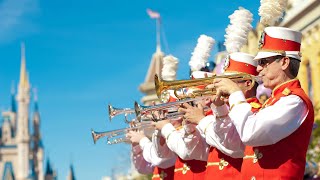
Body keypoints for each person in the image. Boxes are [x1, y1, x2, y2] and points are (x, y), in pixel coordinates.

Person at [210, 26, 314, 179]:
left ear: (284, 62)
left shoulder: (294, 101)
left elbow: (250, 133)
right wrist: (219, 109)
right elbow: (235, 146)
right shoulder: (273, 102)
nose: (258, 68)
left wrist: (235, 93)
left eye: (264, 62)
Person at [180, 52, 261, 180]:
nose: (223, 87)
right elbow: (195, 152)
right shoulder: (226, 112)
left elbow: (234, 147)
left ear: (248, 83)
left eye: (230, 82)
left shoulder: (254, 111)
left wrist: (202, 120)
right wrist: (190, 128)